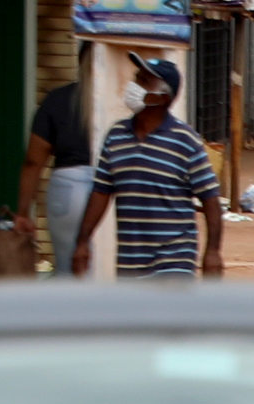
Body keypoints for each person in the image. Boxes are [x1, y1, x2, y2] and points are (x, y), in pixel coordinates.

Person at [74, 57, 226, 280]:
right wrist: (82, 241)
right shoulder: (116, 136)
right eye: (137, 78)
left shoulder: (185, 141)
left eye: (143, 81)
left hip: (174, 261)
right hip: (131, 263)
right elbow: (100, 192)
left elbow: (210, 200)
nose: (134, 85)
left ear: (163, 97)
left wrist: (212, 251)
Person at [17, 79, 92, 274]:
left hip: (68, 186)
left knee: (68, 270)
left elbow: (33, 162)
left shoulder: (57, 98)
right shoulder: (124, 98)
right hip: (112, 186)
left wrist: (23, 212)